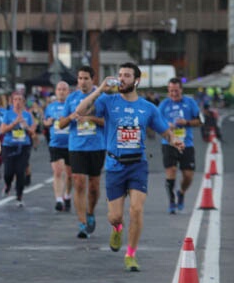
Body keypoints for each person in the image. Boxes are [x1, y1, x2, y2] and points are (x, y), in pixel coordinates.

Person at [75, 64, 182, 271]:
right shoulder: (108, 101)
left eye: (126, 75)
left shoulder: (148, 108)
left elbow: (164, 131)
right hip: (115, 165)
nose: (122, 79)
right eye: (120, 75)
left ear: (136, 81)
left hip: (138, 165)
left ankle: (131, 254)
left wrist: (174, 140)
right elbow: (79, 110)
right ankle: (117, 228)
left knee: (136, 209)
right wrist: (100, 89)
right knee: (115, 216)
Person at [58, 66, 105, 237]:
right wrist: (71, 117)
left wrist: (90, 118)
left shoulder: (102, 97)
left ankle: (90, 212)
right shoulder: (72, 99)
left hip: (97, 146)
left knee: (94, 186)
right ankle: (82, 223)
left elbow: (108, 123)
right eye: (79, 78)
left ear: (93, 79)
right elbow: (61, 124)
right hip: (76, 146)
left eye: (86, 78)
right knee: (78, 182)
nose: (82, 82)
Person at [158, 78, 201, 214]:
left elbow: (200, 121)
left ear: (181, 90)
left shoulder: (190, 103)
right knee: (171, 171)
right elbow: (156, 123)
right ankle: (171, 201)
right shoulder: (164, 105)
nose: (173, 93)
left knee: (188, 175)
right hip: (169, 143)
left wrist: (186, 122)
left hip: (186, 143)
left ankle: (181, 192)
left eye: (176, 90)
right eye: (171, 91)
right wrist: (166, 125)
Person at [0, 92, 36, 208]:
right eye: (15, 100)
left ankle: (19, 196)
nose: (18, 102)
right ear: (12, 101)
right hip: (9, 146)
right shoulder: (8, 114)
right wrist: (14, 123)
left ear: (23, 102)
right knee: (8, 172)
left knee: (20, 172)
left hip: (23, 147)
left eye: (20, 100)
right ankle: (8, 185)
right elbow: (3, 130)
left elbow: (32, 132)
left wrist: (25, 125)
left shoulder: (28, 115)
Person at [43, 81, 73, 213]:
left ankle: (67, 195)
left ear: (68, 92)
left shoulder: (72, 106)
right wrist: (47, 122)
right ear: (56, 91)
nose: (61, 91)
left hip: (71, 144)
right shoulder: (50, 107)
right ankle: (59, 200)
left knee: (70, 175)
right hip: (55, 144)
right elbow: (45, 121)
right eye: (59, 89)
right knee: (58, 172)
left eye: (64, 89)